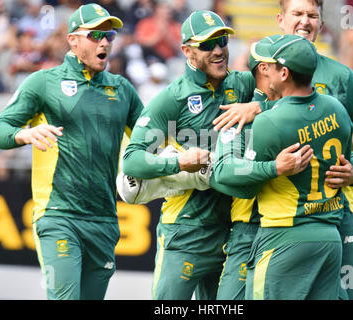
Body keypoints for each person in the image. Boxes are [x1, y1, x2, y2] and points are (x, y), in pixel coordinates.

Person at [121, 10, 310, 300]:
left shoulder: (243, 84)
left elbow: (295, 103)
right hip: (185, 231)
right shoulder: (171, 99)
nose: (219, 50)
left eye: (222, 40)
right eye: (208, 44)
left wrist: (257, 107)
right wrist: (179, 161)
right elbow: (132, 160)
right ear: (186, 51)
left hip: (233, 232)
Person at [212, 0, 353, 300]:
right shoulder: (259, 68)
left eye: (312, 15)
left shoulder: (340, 77)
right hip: (260, 218)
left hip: (334, 215)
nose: (305, 21)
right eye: (298, 14)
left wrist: (321, 143)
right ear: (281, 19)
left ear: (322, 22)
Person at [0, 3, 144, 300]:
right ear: (73, 40)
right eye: (95, 35)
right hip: (59, 215)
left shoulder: (122, 89)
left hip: (105, 219)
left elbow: (154, 138)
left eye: (109, 35)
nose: (105, 42)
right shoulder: (44, 82)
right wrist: (24, 133)